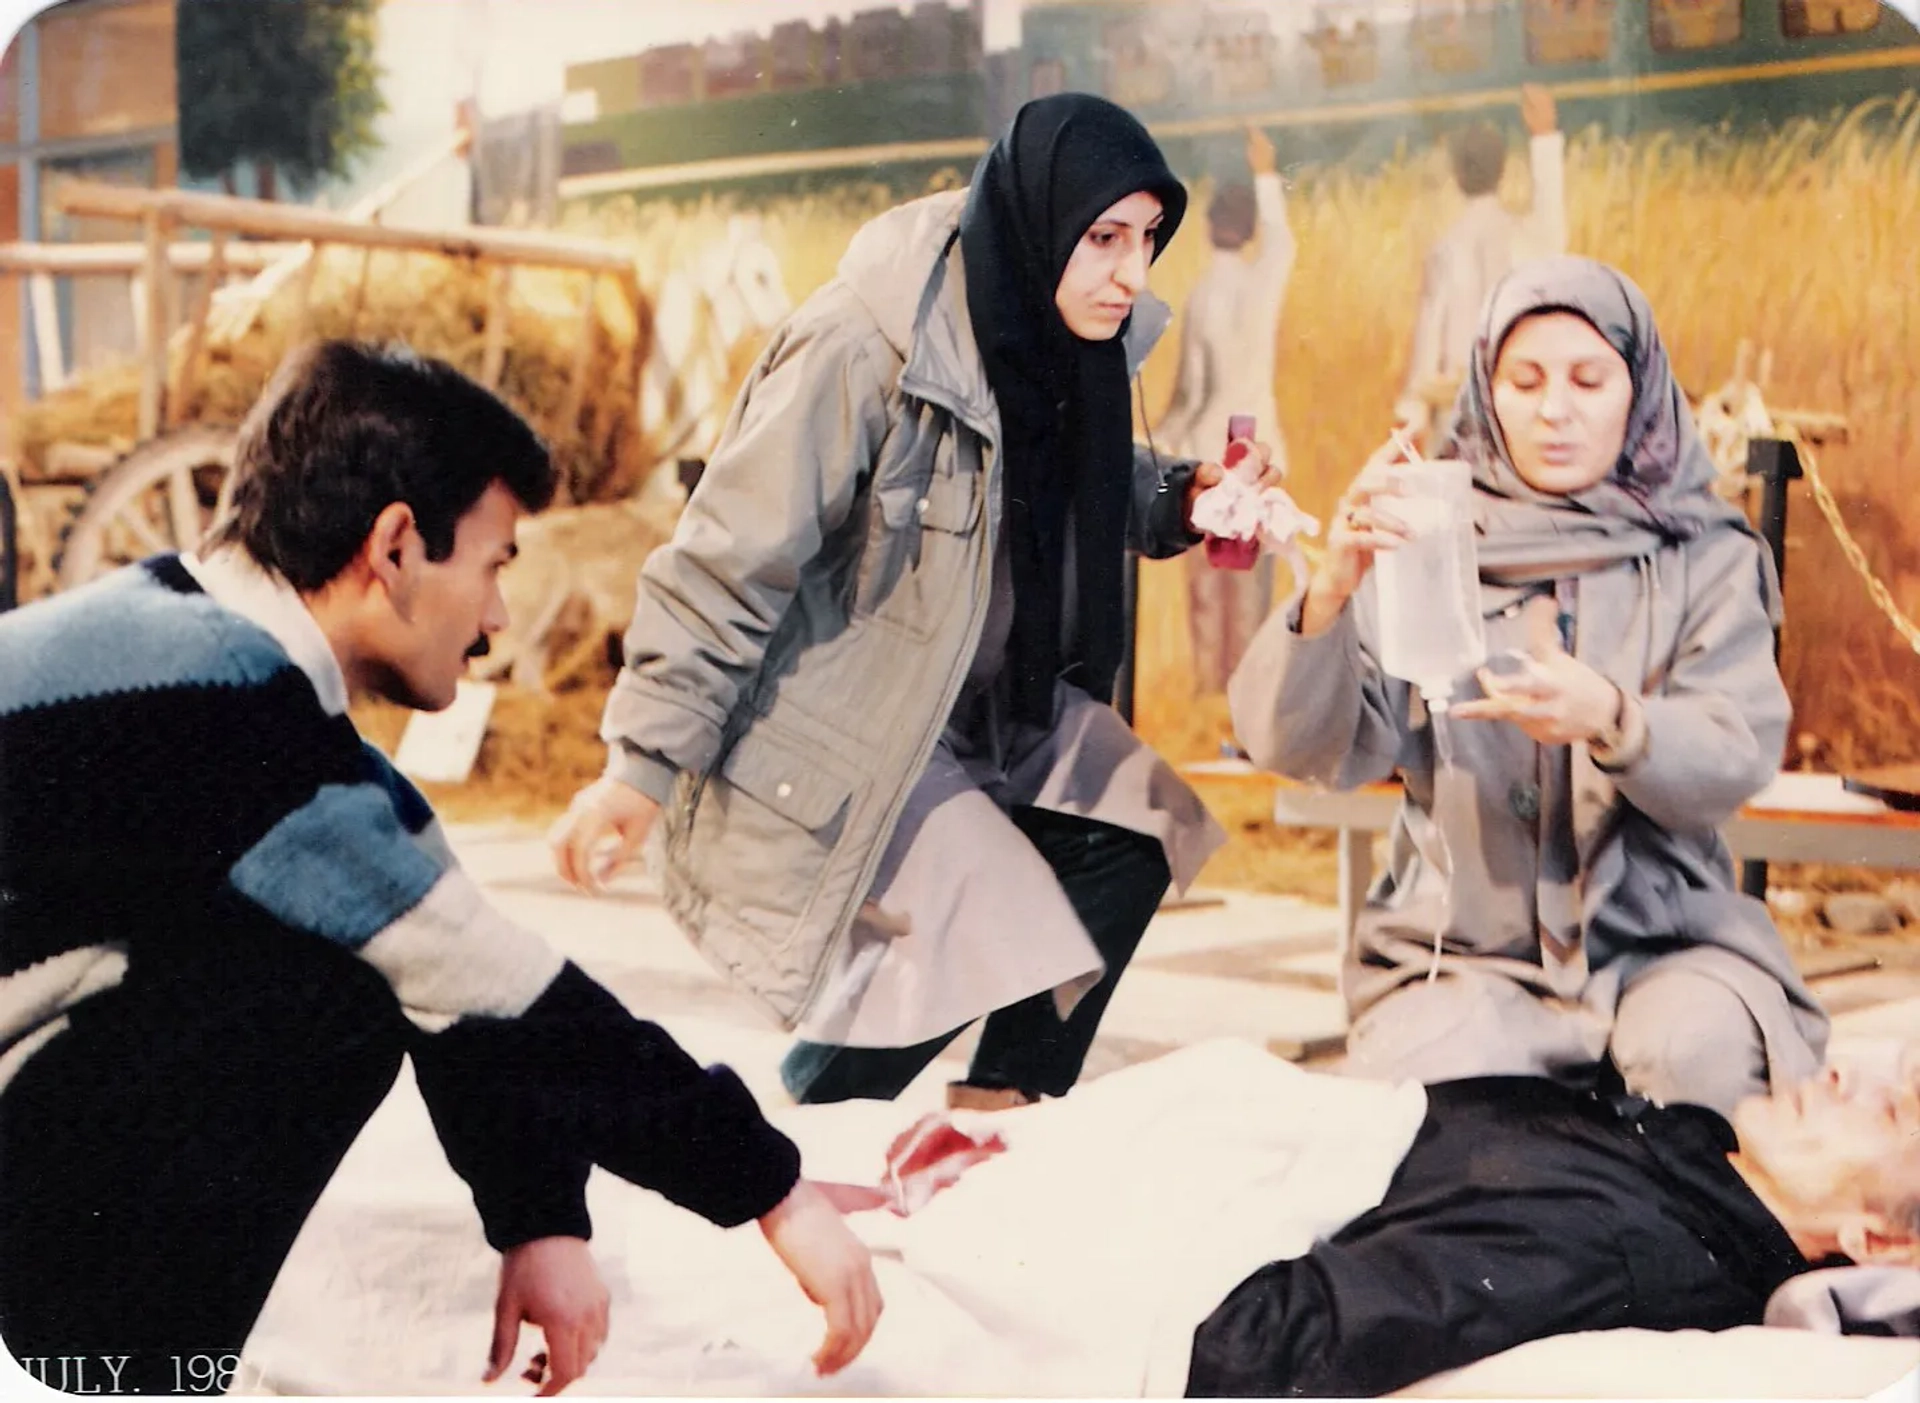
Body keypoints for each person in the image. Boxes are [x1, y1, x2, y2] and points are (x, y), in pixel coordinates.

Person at [0, 341, 880, 1395]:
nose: (500, 616)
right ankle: (127, 1377)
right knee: (333, 989)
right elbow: (485, 979)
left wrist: (541, 1216)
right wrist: (778, 1194)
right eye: (497, 562)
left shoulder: (204, 655)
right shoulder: (234, 710)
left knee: (364, 949)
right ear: (398, 545)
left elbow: (440, 933)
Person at [549, 94, 1274, 1109]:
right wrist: (641, 764)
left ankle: (995, 1117)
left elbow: (1062, 474)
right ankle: (805, 1133)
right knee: (982, 915)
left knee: (1141, 829)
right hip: (856, 721)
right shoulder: (860, 346)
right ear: (1040, 218)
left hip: (993, 702)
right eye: (1105, 237)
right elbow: (727, 554)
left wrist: (1181, 495)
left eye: (1149, 238)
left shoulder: (1060, 338)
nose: (1132, 273)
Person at [1228, 255, 1828, 1118]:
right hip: (1466, 949)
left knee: (1695, 1062)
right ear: (1486, 391)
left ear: (1641, 388)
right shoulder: (1430, 536)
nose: (1554, 411)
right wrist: (1332, 589)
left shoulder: (1708, 554)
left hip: (1667, 945)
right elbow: (1308, 749)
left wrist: (1617, 721)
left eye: (1588, 379)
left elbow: (1736, 751)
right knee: (1452, 1106)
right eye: (1525, 379)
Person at [1186, 1052, 1920, 1396]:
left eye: (1886, 1112)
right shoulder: (1685, 1166)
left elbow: (1263, 1345)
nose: (1842, 1073)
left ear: (1878, 1240)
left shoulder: (1612, 1243)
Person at [1155, 123, 1298, 695]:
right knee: (1252, 582)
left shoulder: (1202, 295)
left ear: (1211, 227)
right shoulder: (1262, 283)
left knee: (1208, 584)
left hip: (1207, 452)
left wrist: (1159, 437)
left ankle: (1209, 692)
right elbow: (1284, 244)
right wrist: (1267, 172)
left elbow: (1190, 392)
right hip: (1259, 452)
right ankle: (1249, 691)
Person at [1395, 83, 1566, 446]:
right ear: (1502, 169)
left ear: (1456, 173)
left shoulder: (1444, 250)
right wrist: (1544, 136)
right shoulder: (1527, 238)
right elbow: (1552, 217)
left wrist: (1412, 410)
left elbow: (1429, 337)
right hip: (1519, 409)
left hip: (1458, 412)